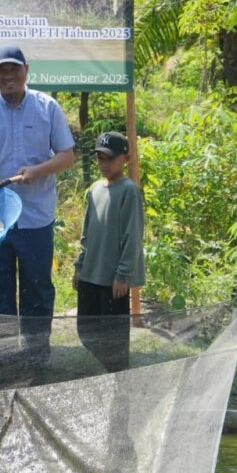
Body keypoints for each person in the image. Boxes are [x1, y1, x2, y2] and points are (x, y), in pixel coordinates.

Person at [0, 45, 75, 365]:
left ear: (26, 70)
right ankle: (4, 359)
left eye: (15, 69)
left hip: (35, 218)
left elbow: (67, 155)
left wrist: (37, 171)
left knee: (38, 289)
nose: (8, 76)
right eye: (2, 70)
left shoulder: (47, 107)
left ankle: (36, 357)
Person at [73, 132, 145, 372]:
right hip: (90, 275)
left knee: (115, 341)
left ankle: (119, 378)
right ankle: (109, 371)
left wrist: (123, 275)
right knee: (86, 332)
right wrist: (79, 266)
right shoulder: (94, 189)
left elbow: (132, 236)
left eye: (110, 159)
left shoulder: (129, 191)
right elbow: (86, 232)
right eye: (100, 158)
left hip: (113, 281)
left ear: (125, 158)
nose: (104, 164)